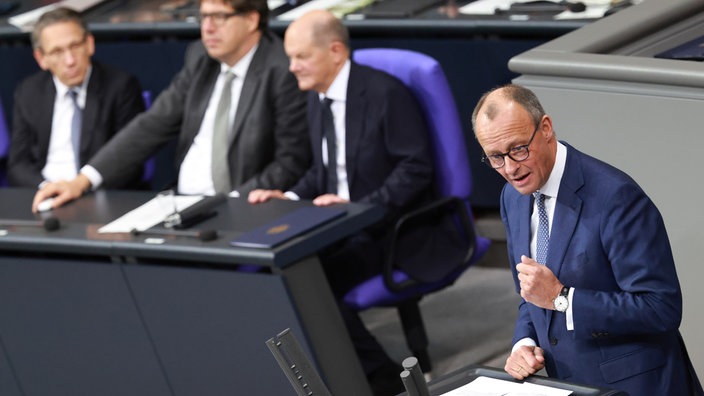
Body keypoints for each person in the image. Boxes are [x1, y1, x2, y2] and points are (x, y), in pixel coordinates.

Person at [471, 84, 703, 395]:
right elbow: (531, 293)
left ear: (546, 129)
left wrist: (563, 298)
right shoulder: (512, 198)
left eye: (518, 149)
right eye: (496, 157)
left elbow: (660, 307)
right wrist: (523, 342)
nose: (510, 168)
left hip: (638, 386)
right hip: (569, 383)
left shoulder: (615, 197)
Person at [248, 10, 433, 395]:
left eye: (301, 57)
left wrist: (358, 205)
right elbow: (325, 170)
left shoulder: (385, 94)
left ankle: (382, 377)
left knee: (311, 281)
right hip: (346, 225)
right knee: (278, 272)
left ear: (335, 51)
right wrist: (292, 195)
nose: (292, 67)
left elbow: (415, 169)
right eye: (290, 57)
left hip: (391, 227)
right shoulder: (318, 98)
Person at [32, 0, 310, 211]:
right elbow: (152, 124)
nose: (207, 27)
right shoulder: (200, 58)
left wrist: (231, 204)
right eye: (203, 16)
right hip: (182, 203)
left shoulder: (282, 69)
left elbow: (291, 161)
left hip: (240, 206)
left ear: (251, 20)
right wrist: (82, 181)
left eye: (219, 17)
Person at [9, 7, 145, 189]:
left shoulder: (120, 86)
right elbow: (18, 164)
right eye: (57, 52)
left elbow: (130, 159)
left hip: (97, 192)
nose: (70, 61)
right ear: (41, 58)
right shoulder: (29, 91)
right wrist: (46, 188)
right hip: (44, 192)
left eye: (75, 46)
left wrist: (82, 186)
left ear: (89, 44)